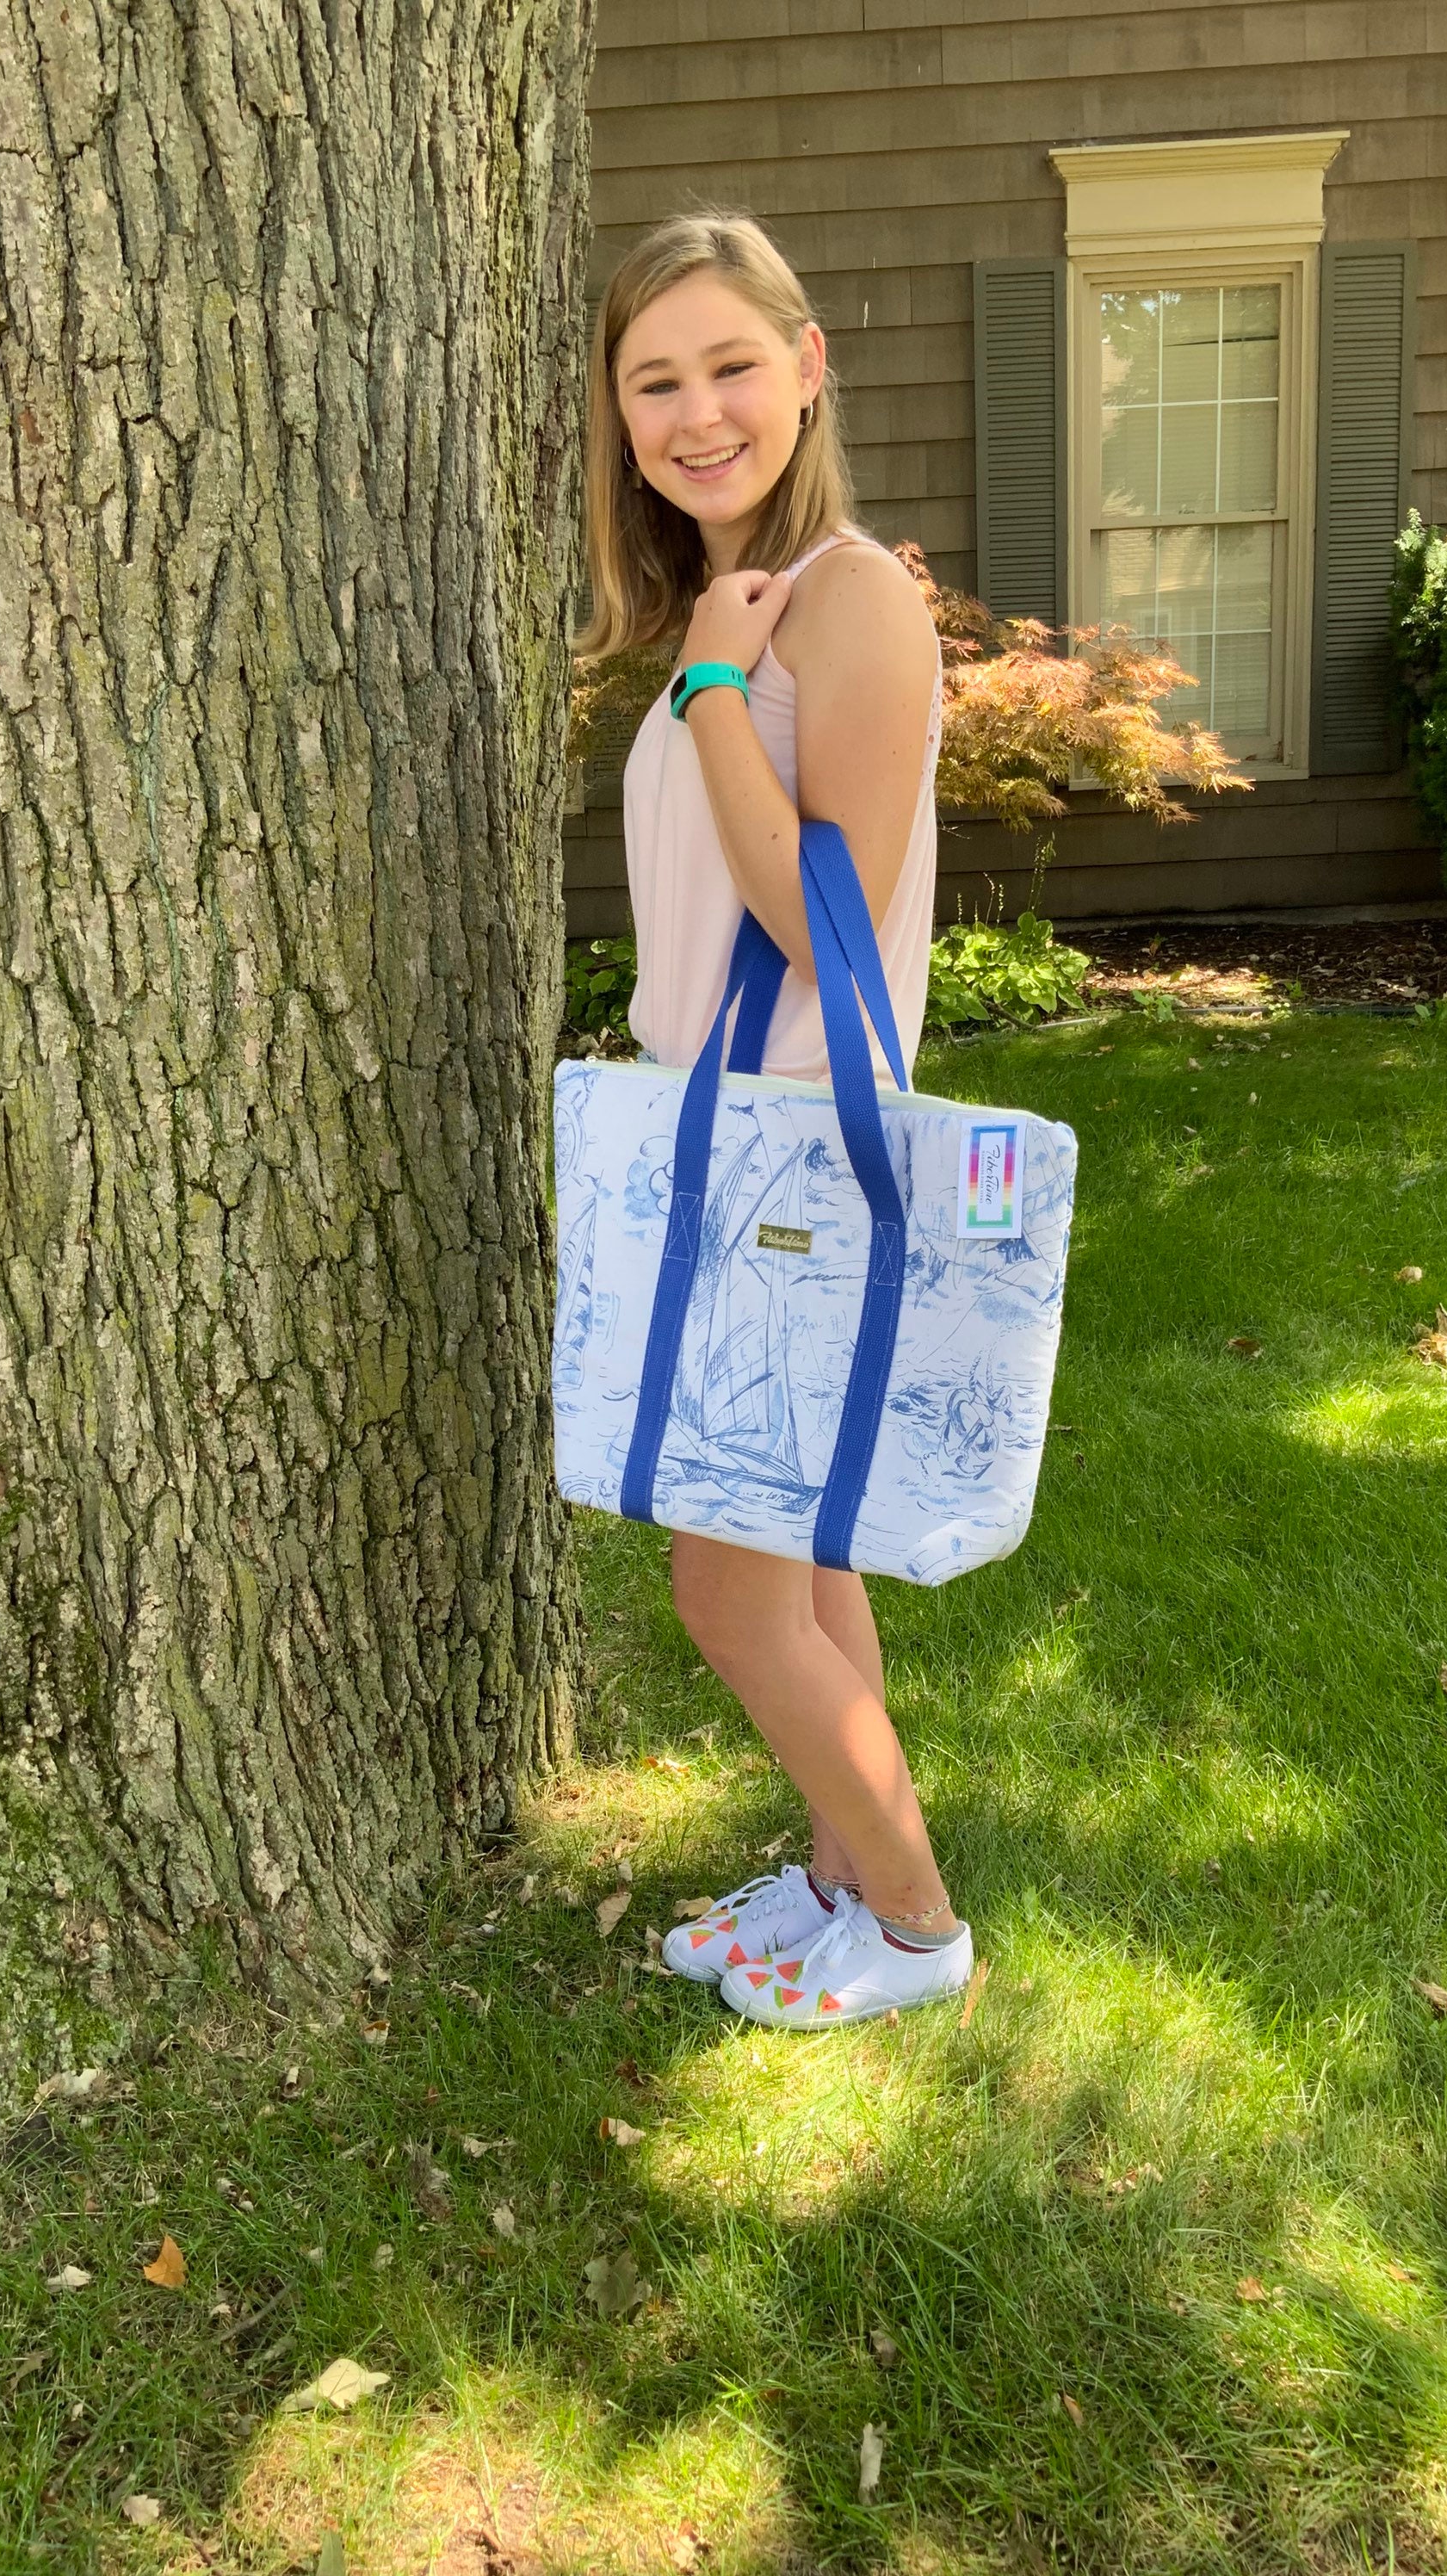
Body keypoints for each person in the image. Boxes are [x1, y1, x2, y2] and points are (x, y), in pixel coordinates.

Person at [571, 207, 973, 2027]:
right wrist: (717, 660)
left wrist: (726, 687)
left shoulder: (851, 598)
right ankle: (837, 1875)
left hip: (795, 1149)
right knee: (801, 1568)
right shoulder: (730, 609)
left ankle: (912, 1920)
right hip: (721, 1131)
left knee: (728, 1594)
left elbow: (825, 921)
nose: (696, 411)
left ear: (809, 367)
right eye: (655, 380)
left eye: (732, 363)